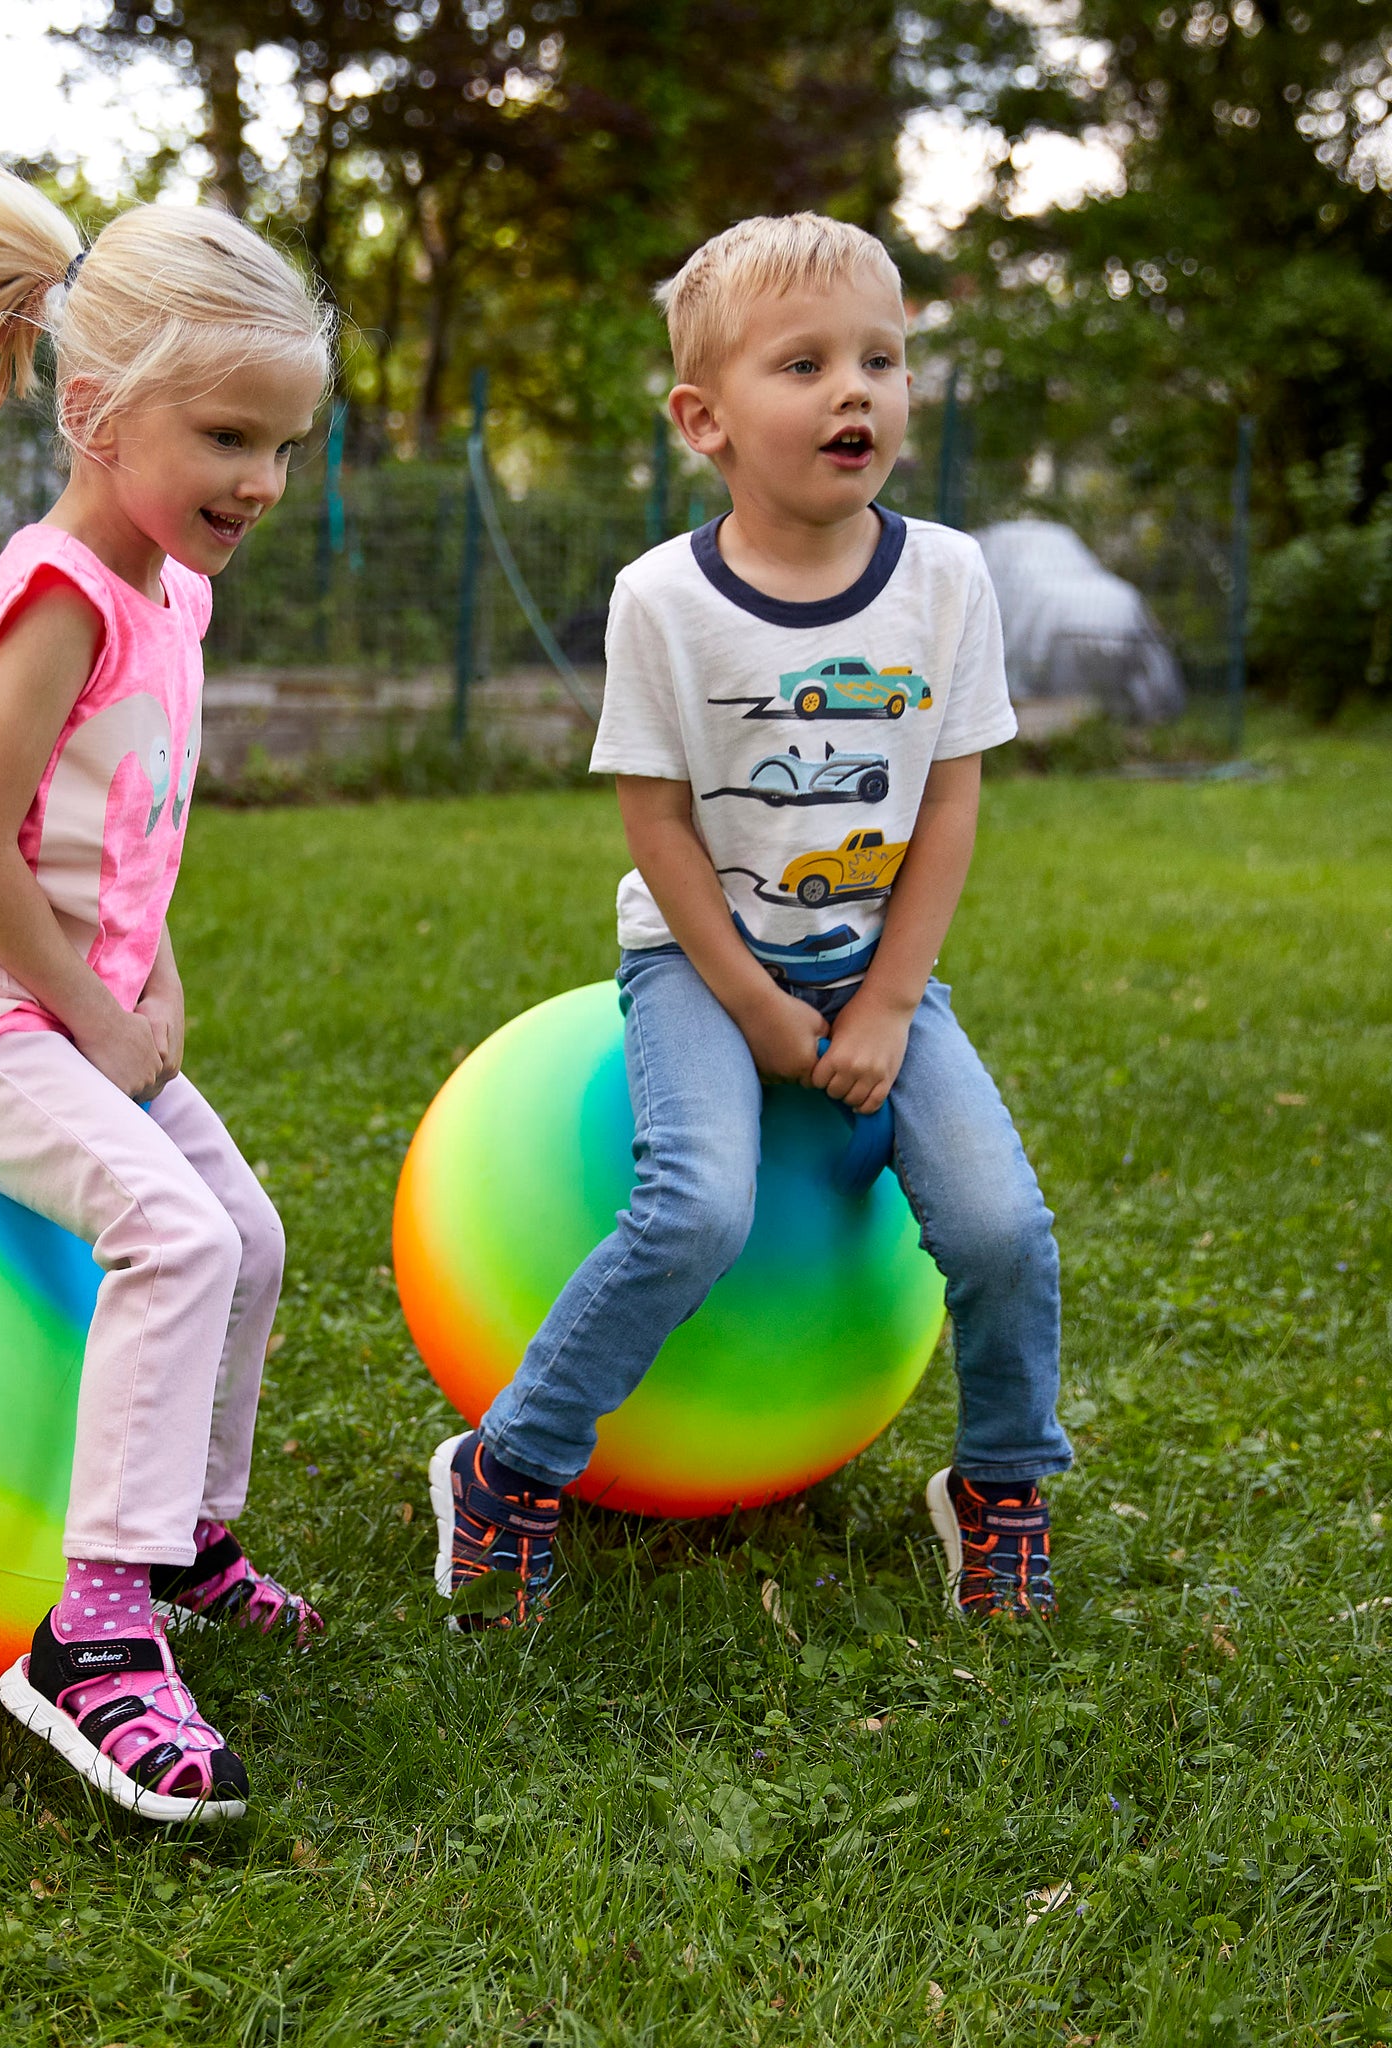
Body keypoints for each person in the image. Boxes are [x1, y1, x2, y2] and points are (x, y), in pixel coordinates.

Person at [429, 215, 1068, 1631]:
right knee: (698, 1205)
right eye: (807, 363)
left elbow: (949, 807)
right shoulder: (662, 601)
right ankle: (510, 1464)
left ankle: (1001, 1485)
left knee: (1004, 1227)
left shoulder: (947, 580)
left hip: (874, 963)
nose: (859, 391)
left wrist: (890, 1003)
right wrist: (762, 1008)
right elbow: (655, 828)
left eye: (883, 359)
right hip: (699, 964)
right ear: (703, 419)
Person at [0, 127, 332, 1822]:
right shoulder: (54, 597)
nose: (259, 478)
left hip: (81, 1008)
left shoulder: (169, 587)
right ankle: (91, 1638)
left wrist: (150, 973)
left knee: (246, 1232)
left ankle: (179, 1543)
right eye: (227, 437)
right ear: (98, 411)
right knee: (170, 1233)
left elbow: (131, 829)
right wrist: (98, 1016)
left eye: (283, 444)